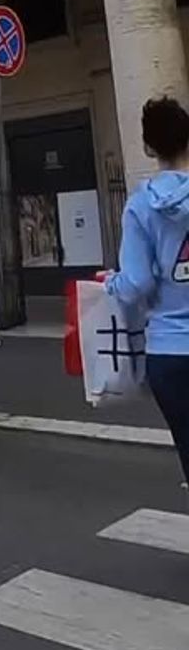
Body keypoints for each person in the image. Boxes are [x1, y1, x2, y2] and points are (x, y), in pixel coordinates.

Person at [107, 96, 189, 485]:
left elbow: (137, 283)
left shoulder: (140, 206)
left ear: (148, 148)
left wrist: (112, 282)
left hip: (170, 352)